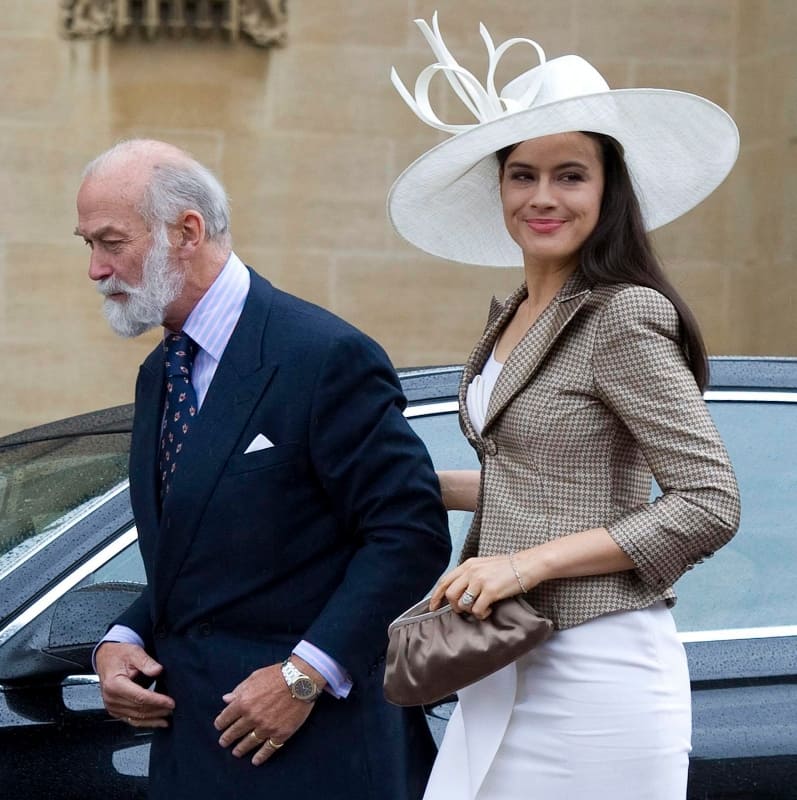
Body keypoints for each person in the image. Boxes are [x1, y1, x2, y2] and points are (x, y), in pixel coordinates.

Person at [388, 13, 741, 800]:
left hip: (599, 669)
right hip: (504, 659)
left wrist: (523, 565)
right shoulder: (516, 313)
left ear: (609, 188)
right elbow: (558, 481)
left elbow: (709, 502)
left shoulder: (621, 314)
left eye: (569, 174)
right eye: (522, 174)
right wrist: (415, 486)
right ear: (500, 185)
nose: (542, 196)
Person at [76, 138, 451, 800]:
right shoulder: (161, 371)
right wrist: (122, 638)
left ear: (186, 232)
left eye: (110, 242)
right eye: (90, 245)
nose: (97, 269)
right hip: (192, 756)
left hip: (318, 758)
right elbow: (198, 552)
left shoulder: (324, 356)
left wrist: (304, 674)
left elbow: (409, 532)